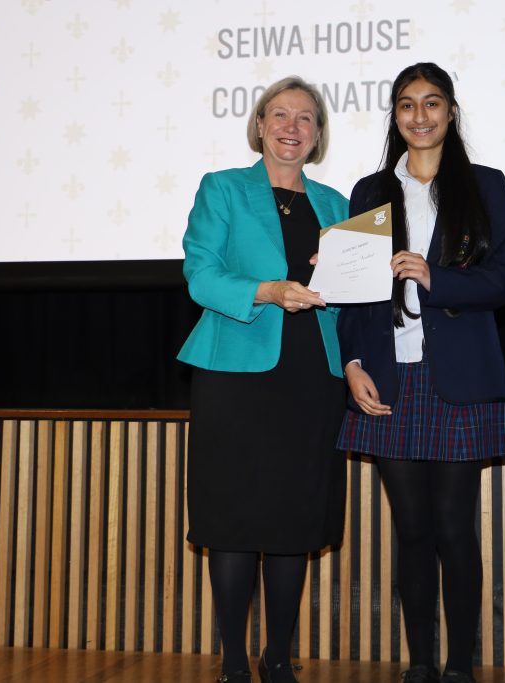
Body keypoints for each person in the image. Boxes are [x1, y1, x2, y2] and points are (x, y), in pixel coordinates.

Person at [336, 63, 505, 683]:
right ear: (395, 116)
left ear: (450, 112)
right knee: (412, 529)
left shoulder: (485, 186)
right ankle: (420, 664)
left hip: (458, 379)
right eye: (407, 105)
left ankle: (459, 666)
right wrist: (352, 363)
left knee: (454, 528)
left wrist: (433, 276)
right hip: (389, 377)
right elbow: (353, 294)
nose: (420, 116)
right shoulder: (369, 191)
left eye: (432, 103)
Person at [178, 76, 347, 683]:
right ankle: (233, 661)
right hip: (235, 376)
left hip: (312, 377)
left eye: (305, 118)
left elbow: (351, 296)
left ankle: (277, 657)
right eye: (279, 115)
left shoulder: (337, 205)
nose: (291, 127)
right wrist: (268, 291)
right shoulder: (222, 188)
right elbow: (201, 274)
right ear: (259, 125)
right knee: (232, 516)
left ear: (318, 134)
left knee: (292, 519)